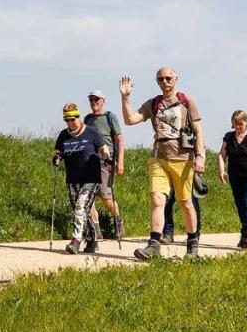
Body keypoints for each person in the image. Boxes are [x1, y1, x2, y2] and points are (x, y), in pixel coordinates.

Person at [120, 67, 206, 260]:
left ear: (176, 79)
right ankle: (154, 245)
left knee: (185, 203)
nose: (164, 82)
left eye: (168, 78)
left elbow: (199, 130)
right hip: (159, 158)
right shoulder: (153, 104)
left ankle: (192, 246)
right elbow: (130, 120)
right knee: (157, 200)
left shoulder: (187, 102)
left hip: (183, 160)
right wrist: (125, 98)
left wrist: (200, 156)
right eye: (160, 79)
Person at [54, 103, 113, 254]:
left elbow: (103, 148)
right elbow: (59, 152)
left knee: (80, 207)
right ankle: (92, 239)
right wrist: (56, 158)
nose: (70, 123)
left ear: (78, 117)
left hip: (91, 177)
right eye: (66, 120)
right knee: (80, 210)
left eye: (72, 119)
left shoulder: (91, 132)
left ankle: (75, 241)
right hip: (73, 178)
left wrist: (107, 158)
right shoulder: (63, 135)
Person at [218, 110, 247, 249]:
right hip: (235, 178)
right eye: (236, 124)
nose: (238, 126)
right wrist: (222, 170)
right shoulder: (228, 137)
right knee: (240, 206)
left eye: (241, 123)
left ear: (246, 122)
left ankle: (246, 234)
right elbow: (221, 156)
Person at [83, 90, 124, 240]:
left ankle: (118, 221)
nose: (93, 102)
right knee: (89, 198)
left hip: (106, 163)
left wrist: (120, 163)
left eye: (96, 99)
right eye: (91, 99)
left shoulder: (109, 117)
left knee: (106, 198)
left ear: (103, 101)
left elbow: (119, 140)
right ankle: (96, 230)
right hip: (89, 164)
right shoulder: (87, 119)